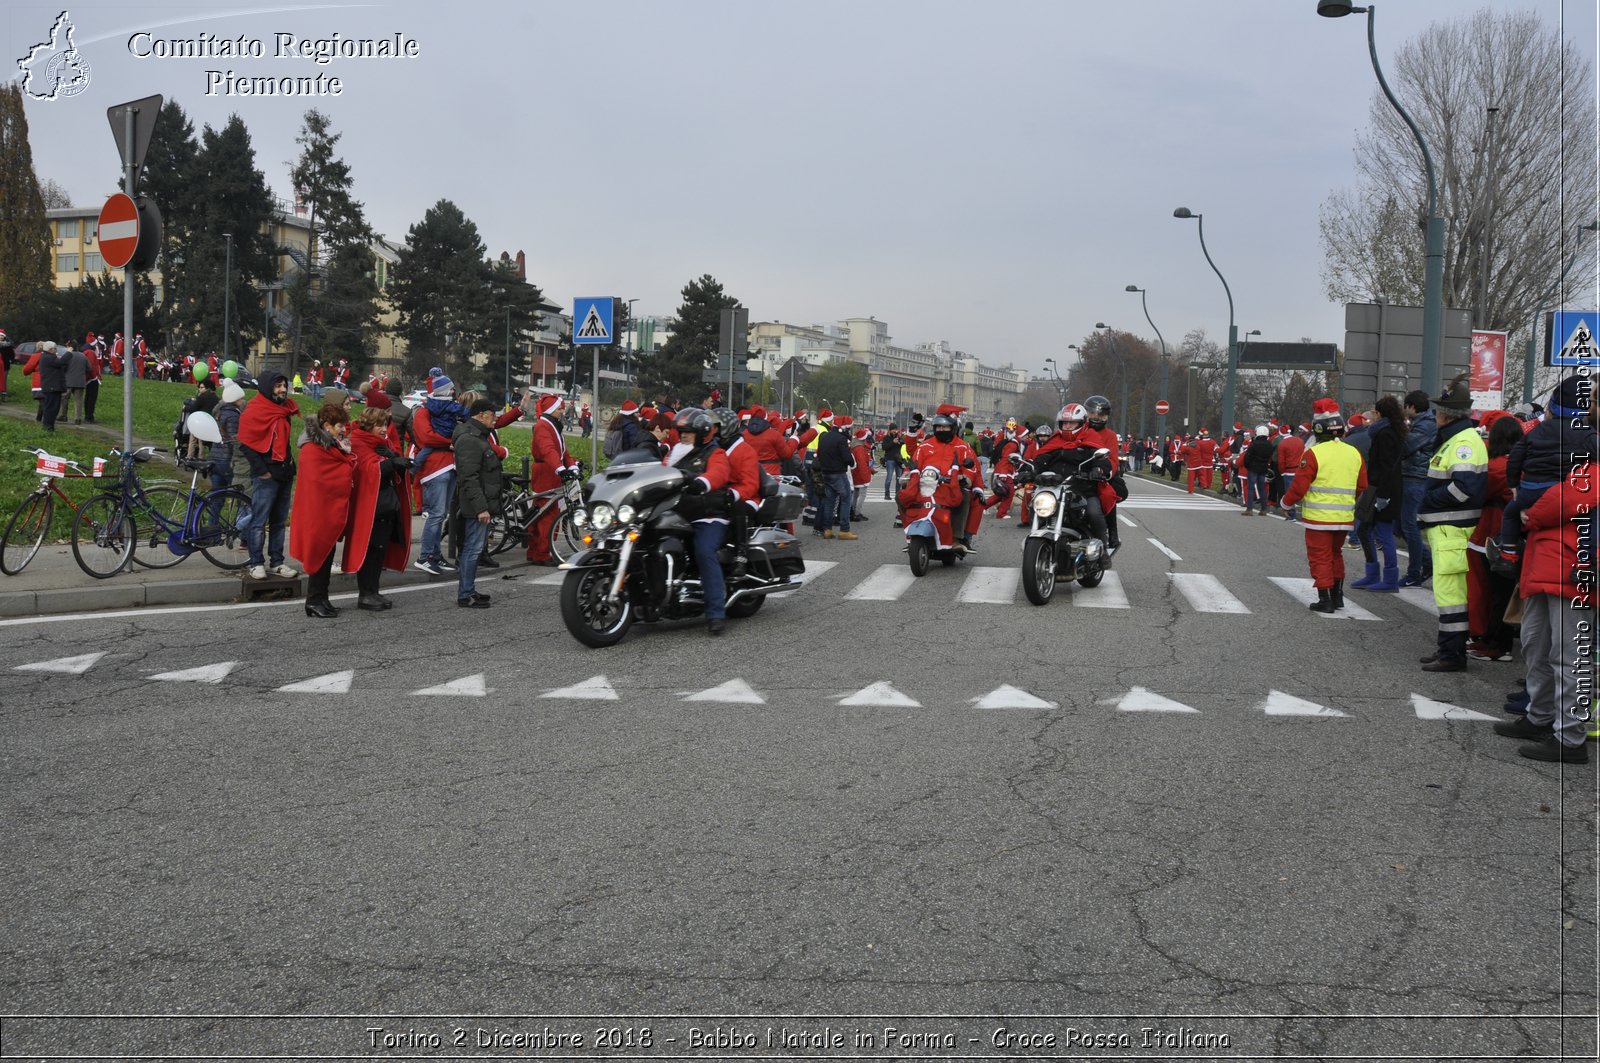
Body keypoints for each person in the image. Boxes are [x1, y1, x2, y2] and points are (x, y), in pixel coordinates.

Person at [1489, 457, 1594, 763]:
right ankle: (1540, 717)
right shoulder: (1574, 473)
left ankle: (1571, 738)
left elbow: (1549, 508)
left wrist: (1530, 513)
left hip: (1571, 574)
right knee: (1537, 647)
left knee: (1568, 658)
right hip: (1546, 571)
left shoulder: (1589, 474)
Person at [1417, 376, 1487, 672]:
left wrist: (1428, 502)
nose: (1434, 415)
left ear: (1445, 414)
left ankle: (1453, 655)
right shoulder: (1456, 439)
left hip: (1452, 531)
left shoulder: (1463, 444)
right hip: (1447, 530)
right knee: (1448, 595)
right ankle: (1447, 649)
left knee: (1451, 597)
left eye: (1437, 410)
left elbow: (1464, 489)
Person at [1493, 374, 1595, 568]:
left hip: (1531, 489)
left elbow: (1515, 456)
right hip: (1561, 491)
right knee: (1589, 520)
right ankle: (1588, 561)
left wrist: (1514, 484)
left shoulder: (1537, 430)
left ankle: (1508, 553)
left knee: (1510, 513)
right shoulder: (1586, 434)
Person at [1280, 400, 1367, 613]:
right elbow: (1362, 485)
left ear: (1318, 429)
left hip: (1319, 517)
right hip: (1344, 517)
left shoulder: (1314, 454)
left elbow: (1299, 487)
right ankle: (1338, 596)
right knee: (1336, 554)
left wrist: (1286, 503)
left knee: (1320, 557)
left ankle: (1325, 598)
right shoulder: (1353, 452)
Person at [669, 407, 734, 635]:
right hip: (678, 513)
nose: (683, 435)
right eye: (681, 431)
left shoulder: (715, 453)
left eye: (688, 431)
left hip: (708, 514)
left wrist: (703, 482)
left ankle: (716, 613)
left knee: (704, 551)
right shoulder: (675, 453)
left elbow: (719, 473)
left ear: (702, 432)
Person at [288, 402, 355, 618]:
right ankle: (313, 601)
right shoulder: (312, 450)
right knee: (320, 554)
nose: (343, 429)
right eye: (339, 425)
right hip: (316, 513)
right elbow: (320, 480)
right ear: (326, 426)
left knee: (327, 555)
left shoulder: (331, 446)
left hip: (325, 511)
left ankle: (322, 597)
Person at [1466, 413, 1523, 660]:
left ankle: (1497, 645)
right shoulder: (1521, 463)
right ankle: (1493, 640)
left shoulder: (1498, 466)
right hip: (1513, 533)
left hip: (1494, 532)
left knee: (1495, 590)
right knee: (1502, 590)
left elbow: (1478, 492)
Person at [344, 405, 412, 611]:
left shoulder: (382, 443)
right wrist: (392, 463)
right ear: (368, 425)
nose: (384, 429)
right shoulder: (358, 442)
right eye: (379, 425)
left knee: (379, 552)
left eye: (385, 424)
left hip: (385, 506)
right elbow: (365, 472)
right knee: (370, 551)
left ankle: (373, 591)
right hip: (370, 508)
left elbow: (385, 470)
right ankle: (365, 594)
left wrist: (392, 458)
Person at [238, 371, 302, 581]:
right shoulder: (254, 410)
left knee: (278, 521)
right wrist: (262, 471)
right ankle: (256, 563)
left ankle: (277, 561)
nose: (283, 389)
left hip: (284, 472)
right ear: (267, 387)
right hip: (266, 475)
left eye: (284, 385)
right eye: (277, 386)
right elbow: (246, 444)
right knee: (259, 521)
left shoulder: (283, 410)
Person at [1350, 395, 1405, 593]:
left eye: (1374, 412)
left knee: (1383, 532)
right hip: (1378, 488)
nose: (1371, 416)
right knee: (1364, 529)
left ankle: (1389, 577)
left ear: (1380, 413)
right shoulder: (1390, 431)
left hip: (1382, 489)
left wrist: (1383, 495)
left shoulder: (1385, 434)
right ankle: (1373, 573)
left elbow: (1386, 466)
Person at [451, 399, 503, 608]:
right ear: (481, 415)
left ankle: (469, 589)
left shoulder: (477, 435)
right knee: (472, 550)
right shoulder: (470, 439)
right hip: (476, 506)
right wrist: (481, 508)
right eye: (492, 413)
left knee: (474, 548)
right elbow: (469, 477)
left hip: (480, 503)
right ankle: (465, 594)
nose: (495, 417)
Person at [411, 377, 460, 576]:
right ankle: (424, 556)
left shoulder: (445, 409)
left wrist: (517, 411)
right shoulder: (423, 411)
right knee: (436, 514)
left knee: (441, 515)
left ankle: (434, 555)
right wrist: (449, 442)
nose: (453, 392)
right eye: (450, 390)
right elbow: (426, 437)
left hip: (449, 465)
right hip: (435, 469)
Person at [527, 393, 579, 565]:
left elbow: (563, 451)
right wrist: (560, 468)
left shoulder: (553, 426)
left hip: (550, 471)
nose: (562, 411)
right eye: (559, 408)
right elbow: (548, 449)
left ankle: (535, 551)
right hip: (546, 473)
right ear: (551, 410)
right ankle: (541, 554)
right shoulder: (544, 426)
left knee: (541, 514)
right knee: (547, 515)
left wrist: (572, 464)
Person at [1399, 390, 1437, 585]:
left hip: (1416, 477)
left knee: (1409, 525)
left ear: (1412, 407)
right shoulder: (1421, 424)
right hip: (1411, 476)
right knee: (1402, 525)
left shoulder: (1426, 425)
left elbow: (1406, 447)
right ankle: (1426, 562)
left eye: (1405, 407)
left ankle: (1416, 571)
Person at [813, 410, 857, 540]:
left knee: (829, 501)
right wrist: (851, 462)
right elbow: (847, 458)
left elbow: (819, 454)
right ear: (843, 427)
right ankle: (844, 529)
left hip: (825, 472)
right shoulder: (841, 439)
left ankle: (827, 529)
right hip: (838, 472)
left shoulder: (824, 436)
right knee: (846, 498)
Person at [1241, 425, 1274, 515]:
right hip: (1263, 468)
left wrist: (1247, 465)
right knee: (1262, 489)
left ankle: (1249, 509)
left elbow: (1248, 456)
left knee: (1251, 488)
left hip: (1253, 468)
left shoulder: (1254, 444)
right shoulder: (1269, 445)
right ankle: (1264, 509)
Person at [35, 341, 68, 432]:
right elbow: (61, 362)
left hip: (54, 387)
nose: (56, 350)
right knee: (50, 408)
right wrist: (68, 352)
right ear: (50, 349)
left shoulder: (49, 357)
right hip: (51, 387)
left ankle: (50, 426)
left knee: (54, 408)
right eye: (55, 349)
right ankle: (47, 427)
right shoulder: (47, 358)